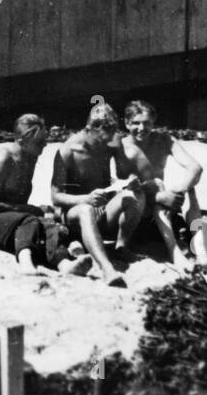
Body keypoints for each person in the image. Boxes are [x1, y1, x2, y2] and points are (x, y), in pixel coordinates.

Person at [0, 114, 93, 277]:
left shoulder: (30, 157)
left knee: (47, 223)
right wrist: (32, 210)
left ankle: (64, 264)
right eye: (40, 142)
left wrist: (40, 213)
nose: (45, 145)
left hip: (9, 220)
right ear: (21, 142)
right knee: (30, 220)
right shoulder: (3, 158)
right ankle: (26, 264)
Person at [50, 103, 153, 286]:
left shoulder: (111, 140)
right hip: (75, 213)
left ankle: (121, 247)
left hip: (104, 208)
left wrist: (130, 179)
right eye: (100, 140)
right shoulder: (67, 151)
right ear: (89, 129)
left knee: (135, 194)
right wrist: (86, 198)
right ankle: (107, 268)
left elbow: (124, 174)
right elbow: (56, 197)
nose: (103, 144)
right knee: (86, 210)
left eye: (108, 139)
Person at [121, 100, 207, 271]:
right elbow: (120, 190)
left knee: (189, 187)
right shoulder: (121, 147)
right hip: (135, 213)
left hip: (160, 212)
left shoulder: (164, 140)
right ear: (126, 123)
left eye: (147, 123)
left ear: (153, 122)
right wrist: (160, 196)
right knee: (158, 186)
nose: (142, 128)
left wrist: (180, 191)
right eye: (136, 123)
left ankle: (201, 251)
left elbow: (195, 168)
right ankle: (175, 253)